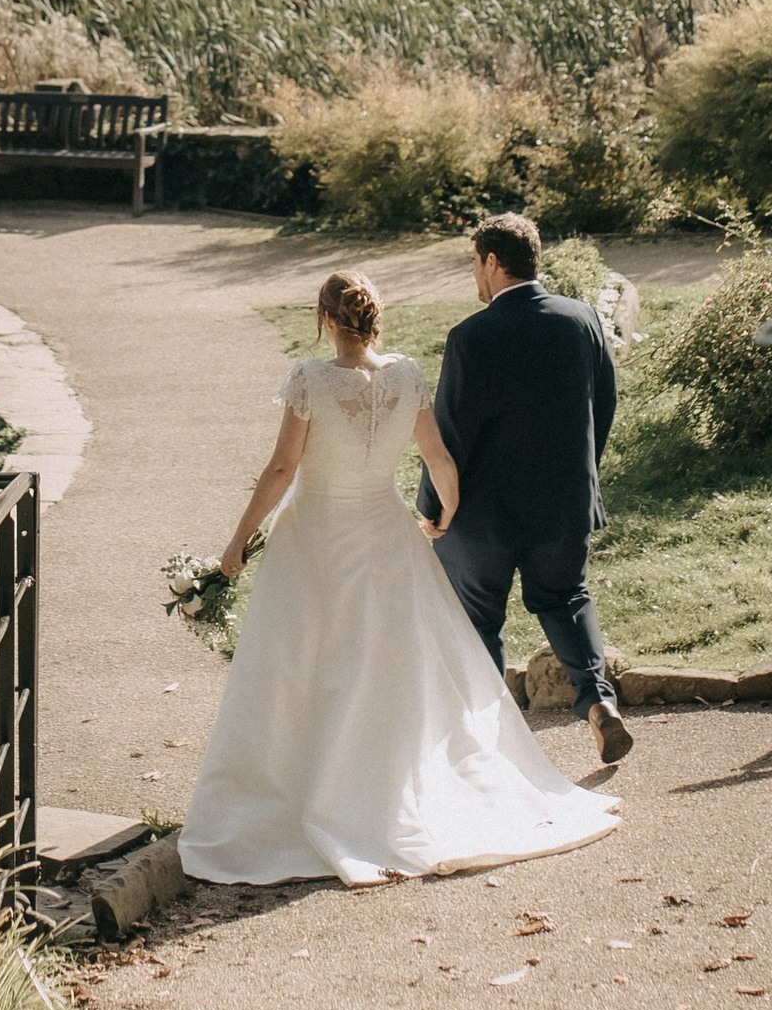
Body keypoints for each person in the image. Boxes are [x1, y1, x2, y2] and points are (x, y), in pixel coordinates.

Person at [178, 264, 619, 886]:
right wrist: (443, 519)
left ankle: (311, 791)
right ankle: (387, 787)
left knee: (303, 663)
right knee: (387, 665)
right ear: (372, 317)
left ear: (326, 320)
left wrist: (236, 543)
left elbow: (281, 469)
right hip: (385, 534)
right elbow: (439, 460)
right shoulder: (408, 374)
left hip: (315, 538)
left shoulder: (309, 379)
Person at [419, 211, 630, 770]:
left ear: (492, 262)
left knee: (477, 619)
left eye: (474, 264)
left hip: (482, 518)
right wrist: (580, 474)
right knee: (567, 597)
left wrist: (434, 508)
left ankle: (490, 740)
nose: (474, 276)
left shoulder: (471, 336)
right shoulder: (581, 319)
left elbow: (450, 433)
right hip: (563, 505)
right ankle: (600, 704)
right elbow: (602, 405)